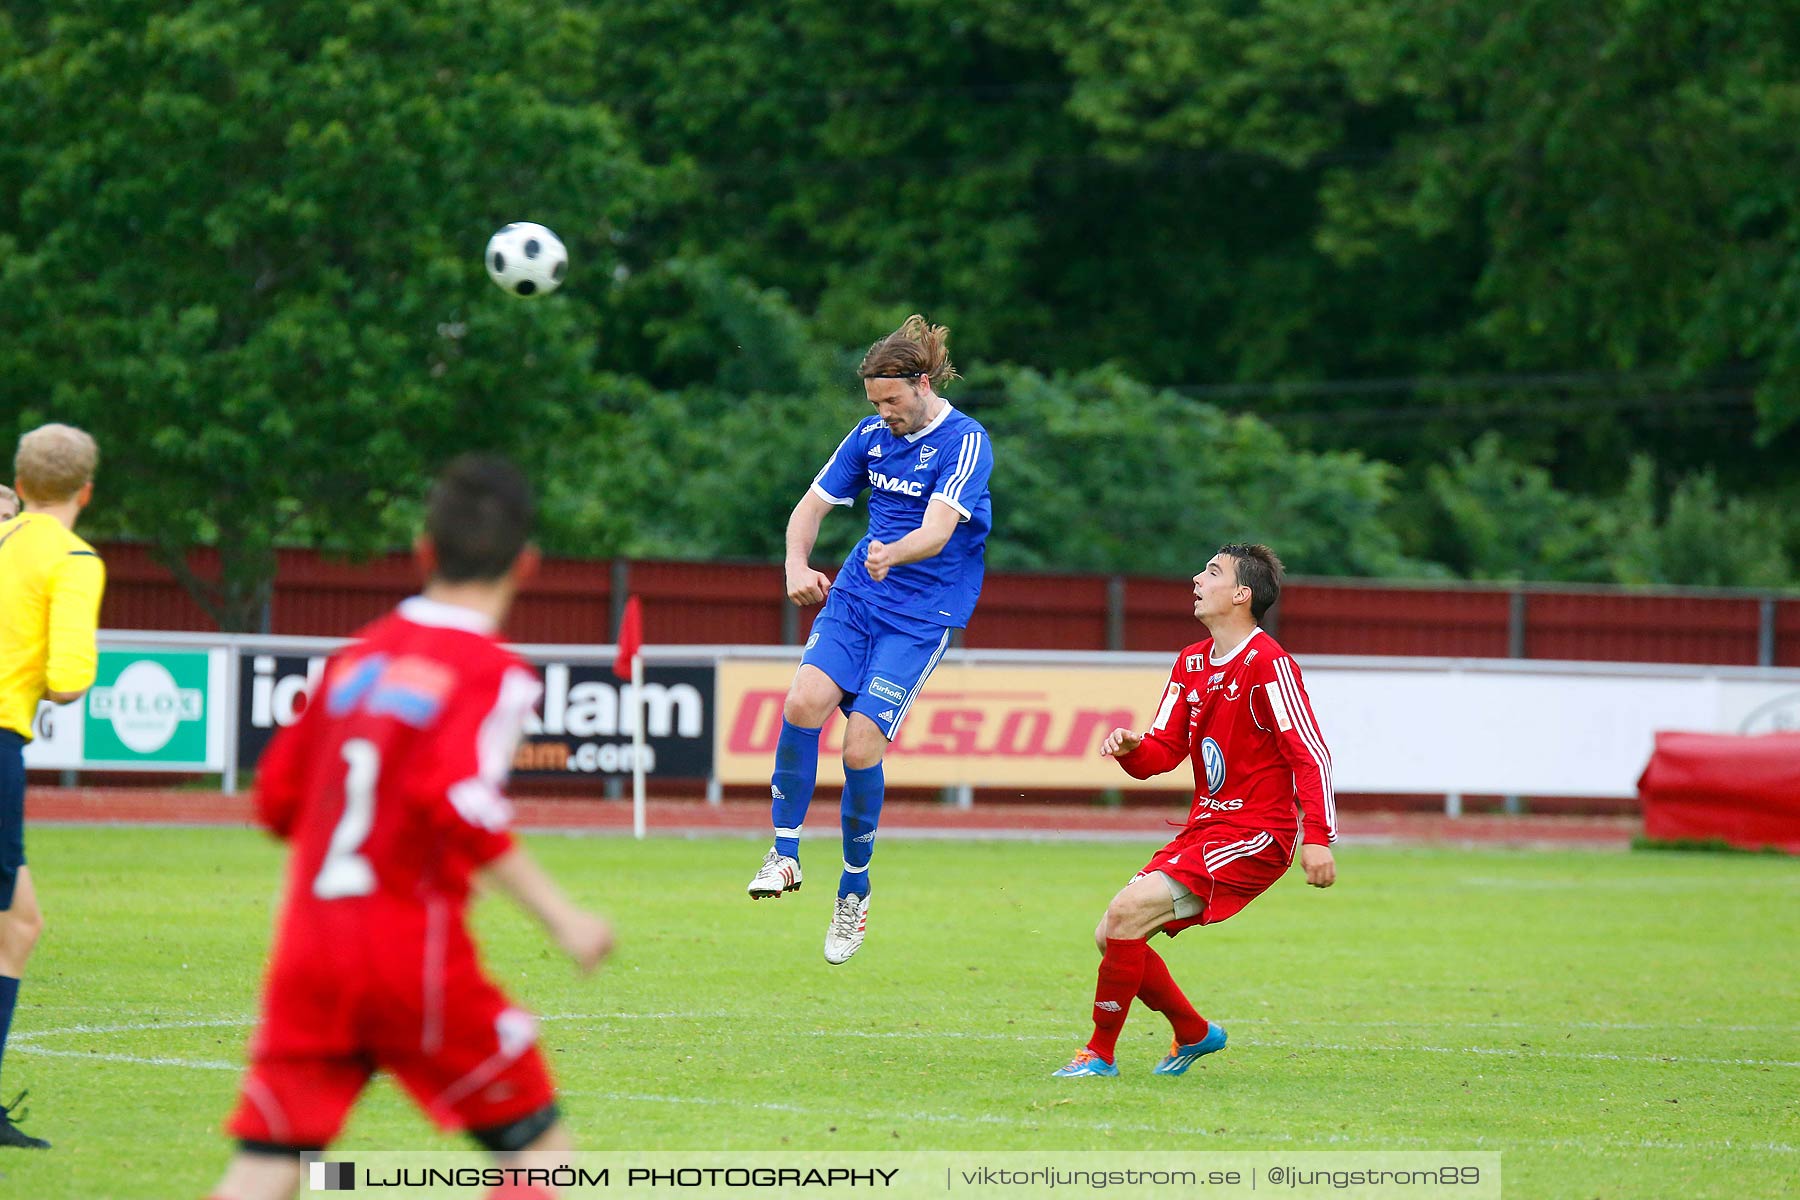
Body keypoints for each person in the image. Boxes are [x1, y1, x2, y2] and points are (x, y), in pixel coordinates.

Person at [208, 456, 614, 1200]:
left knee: (267, 1164)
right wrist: (564, 918)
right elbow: (456, 798)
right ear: (528, 565)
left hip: (310, 953)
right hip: (407, 957)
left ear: (422, 551)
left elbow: (274, 802)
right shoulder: (493, 674)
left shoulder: (353, 660)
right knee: (541, 1152)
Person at [746, 315, 994, 964]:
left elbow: (938, 532)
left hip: (921, 619)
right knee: (802, 702)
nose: (883, 414)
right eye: (874, 403)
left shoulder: (965, 442)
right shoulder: (869, 437)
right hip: (857, 599)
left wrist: (896, 553)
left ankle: (854, 889)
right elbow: (810, 508)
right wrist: (797, 567)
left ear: (921, 383)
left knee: (860, 747)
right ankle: (785, 853)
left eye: (892, 401)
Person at [1053, 544, 1337, 1078]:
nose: (1197, 577)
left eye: (1212, 571)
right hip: (1207, 827)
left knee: (1125, 916)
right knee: (1111, 933)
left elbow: (1310, 752)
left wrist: (1318, 837)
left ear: (1241, 594)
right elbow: (1162, 752)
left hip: (1258, 831)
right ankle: (1194, 1032)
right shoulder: (1192, 662)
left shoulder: (1269, 665)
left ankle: (1099, 1055)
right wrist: (1132, 747)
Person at [0, 424, 105, 1149]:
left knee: (19, 922)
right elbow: (67, 681)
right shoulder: (71, 557)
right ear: (87, 492)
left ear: (20, 480)